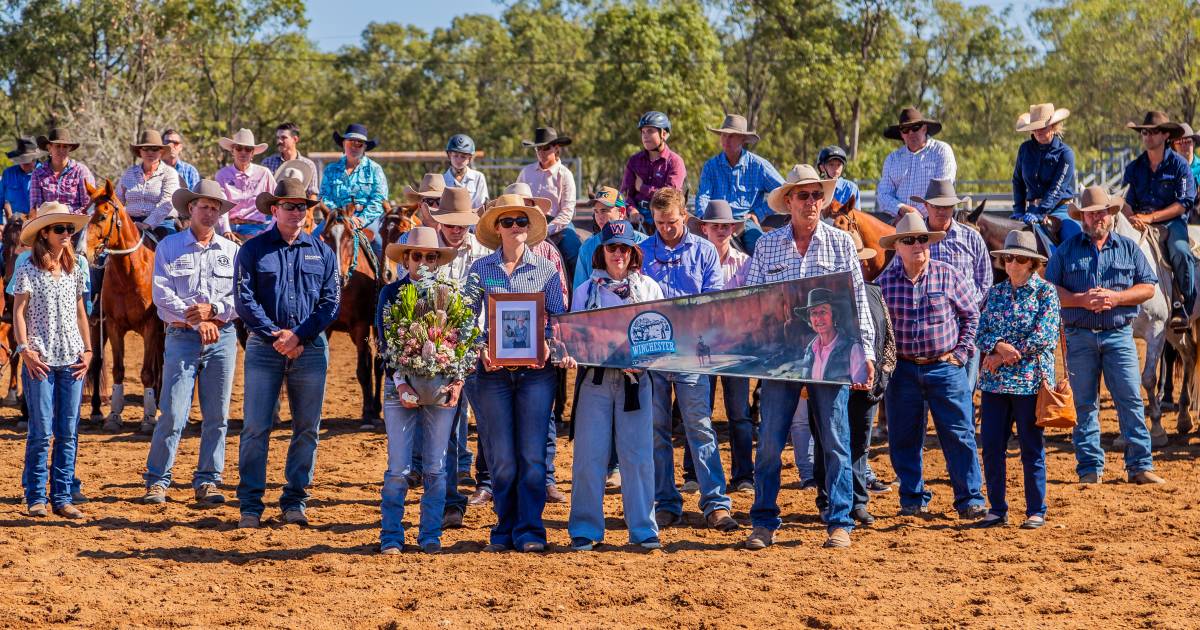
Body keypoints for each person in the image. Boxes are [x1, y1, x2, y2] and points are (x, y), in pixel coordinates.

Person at [743, 165, 877, 550]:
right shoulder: (767, 245)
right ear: (789, 201)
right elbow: (754, 302)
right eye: (804, 195)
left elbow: (858, 302)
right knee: (769, 440)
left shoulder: (841, 244)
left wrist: (864, 352)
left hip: (831, 353)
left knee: (835, 437)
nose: (812, 202)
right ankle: (764, 520)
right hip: (781, 356)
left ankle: (839, 520)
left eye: (818, 195)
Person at [233, 177, 340, 528]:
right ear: (274, 209)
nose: (296, 212)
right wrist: (275, 334)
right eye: (289, 206)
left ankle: (295, 500)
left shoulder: (323, 251)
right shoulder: (252, 250)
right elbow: (244, 300)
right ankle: (250, 504)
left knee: (307, 428)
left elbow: (330, 302)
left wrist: (299, 336)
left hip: (309, 348)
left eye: (302, 207)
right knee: (255, 427)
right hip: (266, 348)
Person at [467, 191, 570, 553]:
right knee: (502, 458)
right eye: (508, 221)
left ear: (530, 227)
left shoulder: (545, 269)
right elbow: (467, 321)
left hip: (535, 374)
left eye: (521, 221)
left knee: (531, 456)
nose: (515, 227)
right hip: (492, 374)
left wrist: (546, 342)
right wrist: (481, 346)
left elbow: (557, 319)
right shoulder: (479, 270)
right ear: (497, 227)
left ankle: (530, 529)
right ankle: (504, 526)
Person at [1045, 186, 1164, 485]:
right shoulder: (1066, 250)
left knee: (1130, 399)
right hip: (1080, 335)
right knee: (1085, 403)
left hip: (1118, 334)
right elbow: (1049, 291)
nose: (1096, 217)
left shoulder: (1128, 248)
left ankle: (1139, 465)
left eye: (1101, 211)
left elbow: (1148, 286)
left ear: (1111, 214)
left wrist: (1117, 297)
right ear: (1082, 217)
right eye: (1090, 213)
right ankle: (1089, 468)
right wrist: (1081, 300)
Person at [638, 187, 737, 533]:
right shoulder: (641, 252)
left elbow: (713, 303)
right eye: (660, 222)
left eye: (672, 221)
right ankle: (666, 502)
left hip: (692, 352)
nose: (666, 228)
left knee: (700, 427)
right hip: (652, 354)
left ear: (685, 217)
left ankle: (715, 502)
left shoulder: (705, 251)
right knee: (656, 431)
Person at [878, 212, 985, 519]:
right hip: (904, 368)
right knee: (903, 435)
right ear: (897, 247)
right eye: (909, 241)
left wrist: (961, 354)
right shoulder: (884, 283)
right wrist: (888, 364)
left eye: (922, 239)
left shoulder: (948, 274)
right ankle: (912, 497)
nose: (917, 245)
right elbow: (876, 327)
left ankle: (970, 498)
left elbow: (971, 315)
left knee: (959, 433)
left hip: (945, 366)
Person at [567, 219, 664, 551]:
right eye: (612, 247)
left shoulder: (650, 288)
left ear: (633, 252)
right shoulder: (585, 291)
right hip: (595, 379)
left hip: (637, 381)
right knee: (588, 457)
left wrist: (645, 361)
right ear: (602, 251)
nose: (618, 254)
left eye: (624, 247)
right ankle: (585, 529)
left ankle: (643, 529)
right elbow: (574, 337)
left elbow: (661, 337)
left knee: (638, 458)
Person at [142, 180, 240, 505]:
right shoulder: (168, 247)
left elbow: (239, 297)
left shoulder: (232, 251)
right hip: (182, 335)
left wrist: (213, 313)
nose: (210, 212)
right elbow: (161, 295)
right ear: (190, 209)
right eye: (204, 206)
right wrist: (197, 320)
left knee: (217, 414)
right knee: (172, 411)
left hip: (221, 337)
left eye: (215, 208)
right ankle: (158, 480)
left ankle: (209, 481)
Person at [376, 226, 463, 554]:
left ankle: (430, 536)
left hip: (441, 388)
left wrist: (457, 382)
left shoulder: (451, 295)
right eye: (417, 256)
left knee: (436, 467)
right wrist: (400, 383)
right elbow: (385, 345)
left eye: (430, 256)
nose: (423, 261)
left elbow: (461, 345)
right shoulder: (390, 294)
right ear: (407, 259)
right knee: (398, 467)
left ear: (437, 260)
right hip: (400, 388)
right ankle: (391, 536)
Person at [808, 230, 896, 525]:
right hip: (830, 379)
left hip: (865, 381)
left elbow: (887, 338)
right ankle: (827, 497)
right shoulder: (828, 299)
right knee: (826, 439)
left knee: (859, 441)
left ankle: (858, 500)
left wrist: (882, 372)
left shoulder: (873, 293)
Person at [12, 202, 91, 518]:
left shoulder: (77, 267)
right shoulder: (27, 268)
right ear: (44, 233)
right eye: (60, 229)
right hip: (40, 359)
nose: (67, 234)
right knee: (42, 431)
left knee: (68, 430)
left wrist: (88, 350)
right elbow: (18, 312)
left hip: (72, 357)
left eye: (70, 229)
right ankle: (35, 496)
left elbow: (81, 311)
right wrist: (24, 348)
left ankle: (62, 497)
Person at [975, 230, 1058, 529]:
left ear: (1032, 263)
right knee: (992, 446)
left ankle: (1036, 509)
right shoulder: (995, 293)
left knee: (1031, 447)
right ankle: (997, 508)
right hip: (996, 384)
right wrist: (997, 347)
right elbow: (980, 331)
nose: (1011, 264)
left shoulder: (1045, 293)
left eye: (1019, 259)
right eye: (1007, 258)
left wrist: (1005, 355)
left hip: (1030, 382)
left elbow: (1044, 335)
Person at [696, 199, 754, 493]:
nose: (720, 230)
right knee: (698, 411)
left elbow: (750, 307)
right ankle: (695, 472)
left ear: (733, 229)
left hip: (734, 346)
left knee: (739, 413)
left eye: (725, 226)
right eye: (715, 226)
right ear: (704, 228)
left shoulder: (744, 264)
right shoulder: (695, 259)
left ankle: (743, 474)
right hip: (701, 346)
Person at [914, 178, 991, 390]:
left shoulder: (971, 238)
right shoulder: (914, 239)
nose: (942, 211)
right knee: (922, 395)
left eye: (947, 206)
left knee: (964, 392)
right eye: (936, 206)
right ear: (926, 206)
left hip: (964, 326)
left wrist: (962, 306)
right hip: (925, 327)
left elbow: (984, 281)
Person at [1121, 111, 1197, 328]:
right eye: (1144, 132)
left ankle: (1183, 304)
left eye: (1153, 133)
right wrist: (1131, 216)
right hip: (1138, 221)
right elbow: (1125, 200)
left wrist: (1151, 217)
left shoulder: (1180, 167)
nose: (1147, 137)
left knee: (1181, 251)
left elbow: (1184, 203)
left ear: (1165, 136)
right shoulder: (1134, 168)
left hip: (1171, 222)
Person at [694, 114, 784, 254]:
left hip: (744, 222)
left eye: (732, 136)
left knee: (761, 249)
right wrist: (704, 218)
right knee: (693, 249)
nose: (726, 139)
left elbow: (783, 192)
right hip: (716, 221)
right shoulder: (711, 166)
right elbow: (703, 196)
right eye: (723, 135)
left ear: (742, 139)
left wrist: (758, 213)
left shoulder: (759, 166)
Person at [517, 127, 580, 285]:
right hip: (528, 223)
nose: (542, 152)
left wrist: (546, 230)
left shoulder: (565, 175)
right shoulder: (526, 172)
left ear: (556, 148)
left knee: (574, 252)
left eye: (547, 148)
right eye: (539, 148)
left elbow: (566, 212)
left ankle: (575, 293)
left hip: (558, 225)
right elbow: (517, 199)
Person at [319, 123, 389, 258]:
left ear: (365, 147)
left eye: (359, 144)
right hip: (335, 218)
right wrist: (340, 216)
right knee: (313, 241)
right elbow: (324, 197)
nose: (354, 146)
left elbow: (379, 199)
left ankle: (387, 278)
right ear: (343, 144)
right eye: (351, 142)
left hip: (367, 220)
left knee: (381, 246)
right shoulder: (330, 169)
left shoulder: (375, 169)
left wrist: (361, 220)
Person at [1011, 103, 1078, 244]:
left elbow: (1057, 189)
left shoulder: (1065, 154)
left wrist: (1040, 213)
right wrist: (1018, 210)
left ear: (1053, 127)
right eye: (1035, 128)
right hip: (1031, 210)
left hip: (1060, 209)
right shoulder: (1025, 149)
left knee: (1073, 238)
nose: (1038, 132)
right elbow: (1018, 181)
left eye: (1043, 127)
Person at [877, 107, 957, 220]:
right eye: (905, 129)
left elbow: (942, 192)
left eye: (915, 128)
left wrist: (913, 214)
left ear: (924, 128)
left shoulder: (941, 151)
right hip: (898, 221)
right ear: (901, 134)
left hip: (934, 222)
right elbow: (883, 195)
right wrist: (901, 209)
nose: (910, 133)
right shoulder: (892, 159)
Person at [621, 111, 686, 230]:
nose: (645, 136)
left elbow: (669, 197)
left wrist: (642, 188)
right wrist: (632, 210)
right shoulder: (634, 161)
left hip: (665, 219)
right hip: (636, 217)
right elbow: (625, 194)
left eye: (650, 131)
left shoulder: (675, 162)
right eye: (643, 132)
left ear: (664, 134)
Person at [573, 186, 647, 290]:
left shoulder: (644, 242)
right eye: (596, 211)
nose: (599, 216)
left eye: (604, 211)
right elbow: (579, 290)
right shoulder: (587, 247)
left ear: (621, 212)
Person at [116, 129, 181, 240]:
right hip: (131, 223)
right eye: (146, 149)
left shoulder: (169, 173)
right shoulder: (129, 173)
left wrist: (147, 224)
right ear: (140, 152)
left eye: (154, 149)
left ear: (161, 152)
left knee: (170, 252)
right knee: (107, 250)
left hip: (162, 223)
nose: (150, 152)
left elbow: (167, 201)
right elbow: (117, 200)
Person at [215, 128, 274, 241]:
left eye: (247, 149)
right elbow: (220, 204)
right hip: (229, 227)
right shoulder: (222, 175)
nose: (243, 152)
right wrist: (226, 230)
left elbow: (278, 203)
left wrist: (269, 231)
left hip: (256, 228)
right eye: (239, 148)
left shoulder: (264, 173)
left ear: (252, 153)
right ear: (233, 151)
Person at [31, 128, 94, 214]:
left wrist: (67, 217)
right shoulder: (38, 173)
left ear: (69, 149)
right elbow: (35, 207)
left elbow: (88, 205)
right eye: (57, 146)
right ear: (49, 148)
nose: (61, 150)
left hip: (77, 223)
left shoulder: (81, 171)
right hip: (47, 223)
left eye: (65, 146)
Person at [262, 122, 320, 198]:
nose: (279, 141)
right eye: (277, 138)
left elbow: (312, 194)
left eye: (283, 138)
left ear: (295, 139)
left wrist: (308, 210)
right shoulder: (267, 163)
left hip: (300, 207)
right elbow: (263, 192)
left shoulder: (309, 165)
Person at [3, 137, 45, 219]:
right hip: (14, 223)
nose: (24, 162)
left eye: (27, 160)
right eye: (21, 159)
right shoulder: (8, 174)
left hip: (40, 222)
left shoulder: (46, 174)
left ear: (34, 158)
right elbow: (2, 199)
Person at [443, 134, 488, 207]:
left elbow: (481, 206)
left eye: (463, 157)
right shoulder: (442, 180)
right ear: (449, 155)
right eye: (455, 155)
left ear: (470, 158)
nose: (459, 160)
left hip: (473, 218)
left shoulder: (478, 177)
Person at [816, 145, 859, 210]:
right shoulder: (817, 188)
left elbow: (856, 215)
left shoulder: (851, 188)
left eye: (839, 165)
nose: (836, 169)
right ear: (822, 167)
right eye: (831, 164)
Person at [1173, 123, 1200, 191]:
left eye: (1187, 141)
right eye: (1179, 142)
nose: (1183, 145)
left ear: (1194, 143)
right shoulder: (1168, 168)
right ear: (1174, 146)